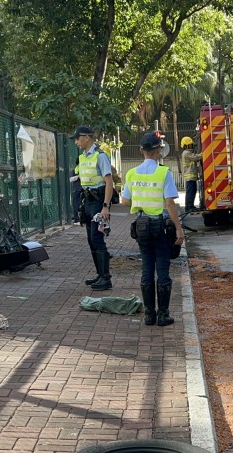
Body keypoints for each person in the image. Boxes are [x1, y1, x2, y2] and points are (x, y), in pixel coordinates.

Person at [122, 131, 185, 326]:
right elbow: (169, 204)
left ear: (141, 150)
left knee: (147, 268)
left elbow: (125, 201)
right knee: (163, 268)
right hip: (160, 226)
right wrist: (179, 228)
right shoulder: (163, 173)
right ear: (159, 150)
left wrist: (140, 205)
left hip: (141, 226)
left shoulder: (131, 173)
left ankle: (149, 314)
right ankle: (163, 315)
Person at [71, 125, 115, 290]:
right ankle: (100, 275)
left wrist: (105, 207)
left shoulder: (100, 156)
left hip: (98, 202)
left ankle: (106, 278)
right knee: (91, 240)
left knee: (97, 238)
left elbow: (109, 182)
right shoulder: (83, 157)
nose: (76, 142)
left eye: (77, 138)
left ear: (86, 137)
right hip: (87, 201)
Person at [180, 136, 203, 213]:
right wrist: (203, 154)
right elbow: (196, 158)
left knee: (193, 191)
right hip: (189, 176)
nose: (191, 146)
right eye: (189, 145)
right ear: (185, 146)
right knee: (190, 192)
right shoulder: (186, 153)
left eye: (191, 145)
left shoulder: (188, 153)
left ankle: (191, 206)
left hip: (191, 176)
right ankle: (189, 207)